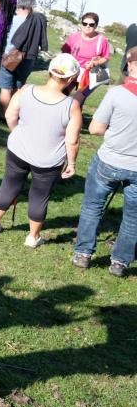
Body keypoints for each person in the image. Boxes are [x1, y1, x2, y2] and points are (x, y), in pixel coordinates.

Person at [0, 53, 82, 247]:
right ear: (71, 79)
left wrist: (18, 133)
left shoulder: (26, 90)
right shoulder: (71, 106)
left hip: (18, 150)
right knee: (39, 195)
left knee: (9, 185)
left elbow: (11, 115)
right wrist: (71, 163)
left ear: (50, 71)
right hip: (48, 160)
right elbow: (72, 140)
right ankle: (33, 237)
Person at [72, 46, 137, 277]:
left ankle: (83, 253)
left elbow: (96, 128)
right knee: (133, 217)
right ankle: (120, 262)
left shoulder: (117, 94)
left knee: (92, 206)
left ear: (130, 65)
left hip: (110, 159)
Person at [0, 0, 48, 113]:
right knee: (18, 88)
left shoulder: (12, 20)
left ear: (19, 4)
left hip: (11, 55)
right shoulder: (38, 21)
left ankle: (4, 115)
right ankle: (13, 113)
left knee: (6, 88)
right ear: (32, 6)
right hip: (29, 58)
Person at [62, 12, 111, 106]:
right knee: (62, 94)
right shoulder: (74, 37)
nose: (87, 26)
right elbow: (65, 52)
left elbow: (106, 58)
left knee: (78, 101)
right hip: (72, 71)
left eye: (91, 24)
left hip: (89, 74)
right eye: (85, 23)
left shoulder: (102, 40)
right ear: (81, 24)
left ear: (96, 26)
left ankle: (75, 118)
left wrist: (95, 63)